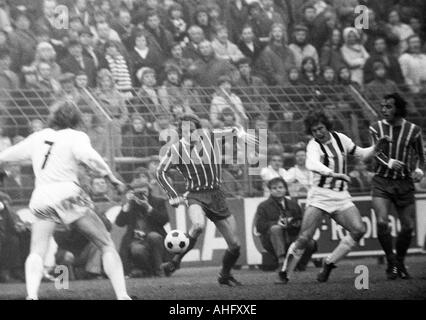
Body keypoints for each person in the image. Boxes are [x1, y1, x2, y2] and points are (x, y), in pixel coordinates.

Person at [0, 101, 131, 300]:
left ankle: (32, 295)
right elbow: (90, 157)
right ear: (76, 119)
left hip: (42, 196)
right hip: (69, 195)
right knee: (105, 243)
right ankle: (122, 296)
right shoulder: (76, 136)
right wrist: (110, 176)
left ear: (53, 117)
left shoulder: (38, 137)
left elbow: (5, 156)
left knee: (37, 249)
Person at [277, 110, 385, 284]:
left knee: (359, 230)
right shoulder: (313, 145)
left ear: (326, 125)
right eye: (314, 131)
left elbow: (362, 154)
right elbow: (310, 163)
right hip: (319, 196)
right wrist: (332, 174)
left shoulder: (341, 139)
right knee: (304, 238)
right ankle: (285, 274)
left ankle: (329, 263)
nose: (318, 133)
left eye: (320, 128)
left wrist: (375, 148)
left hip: (341, 196)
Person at [156, 113, 254, 286]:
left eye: (192, 130)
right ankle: (176, 261)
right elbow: (160, 172)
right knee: (198, 225)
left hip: (217, 196)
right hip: (195, 195)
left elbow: (233, 129)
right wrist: (173, 195)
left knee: (235, 246)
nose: (189, 134)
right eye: (184, 131)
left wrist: (242, 135)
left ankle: (224, 275)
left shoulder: (212, 138)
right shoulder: (177, 149)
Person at [369, 93, 424, 280]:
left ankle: (399, 261)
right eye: (382, 106)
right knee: (382, 222)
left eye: (389, 106)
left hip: (404, 183)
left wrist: (419, 170)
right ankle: (391, 261)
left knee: (408, 227)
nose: (384, 110)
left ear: (398, 108)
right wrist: (389, 162)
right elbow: (375, 152)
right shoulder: (376, 127)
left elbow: (421, 156)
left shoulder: (413, 130)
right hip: (381, 181)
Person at [255, 177, 317, 271]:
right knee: (275, 229)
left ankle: (300, 265)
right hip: (271, 240)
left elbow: (302, 223)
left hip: (292, 236)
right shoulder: (263, 206)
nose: (278, 190)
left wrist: (295, 223)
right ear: (270, 191)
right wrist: (277, 223)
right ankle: (281, 262)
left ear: (285, 189)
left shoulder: (293, 204)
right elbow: (259, 226)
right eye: (274, 188)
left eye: (280, 187)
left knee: (310, 243)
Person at [115, 179, 169, 277]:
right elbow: (119, 223)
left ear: (149, 190)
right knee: (137, 250)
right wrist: (127, 204)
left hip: (154, 237)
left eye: (144, 192)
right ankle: (149, 271)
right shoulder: (131, 204)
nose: (141, 195)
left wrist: (148, 207)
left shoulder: (158, 201)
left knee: (154, 236)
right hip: (136, 240)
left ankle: (160, 271)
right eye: (138, 193)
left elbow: (164, 220)